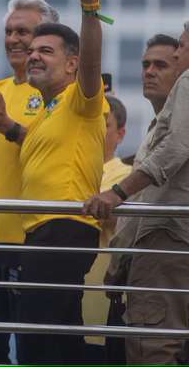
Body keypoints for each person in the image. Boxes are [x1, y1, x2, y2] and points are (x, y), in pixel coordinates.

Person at [84, 16, 189, 364]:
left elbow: (175, 148)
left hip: (174, 236)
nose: (177, 53)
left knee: (152, 345)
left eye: (182, 45)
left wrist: (118, 192)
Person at [0, 0, 107, 363]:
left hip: (63, 226)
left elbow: (93, 57)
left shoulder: (80, 100)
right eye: (33, 50)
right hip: (41, 231)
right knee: (56, 342)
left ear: (72, 64)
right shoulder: (48, 109)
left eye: (46, 51)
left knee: (37, 342)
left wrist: (89, 5)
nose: (32, 55)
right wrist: (2, 125)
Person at [0, 0, 58, 364]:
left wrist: (6, 127)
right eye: (9, 31)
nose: (15, 39)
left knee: (35, 350)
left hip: (31, 241)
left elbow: (51, 152)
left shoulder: (58, 94)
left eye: (24, 31)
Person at [102, 33, 179, 363]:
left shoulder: (180, 126)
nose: (149, 71)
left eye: (160, 65)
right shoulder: (155, 126)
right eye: (146, 64)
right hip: (131, 273)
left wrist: (116, 193)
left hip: (165, 264)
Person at [82, 95, 130, 361]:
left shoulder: (123, 176)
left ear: (121, 134)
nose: (96, 129)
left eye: (104, 123)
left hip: (98, 299)